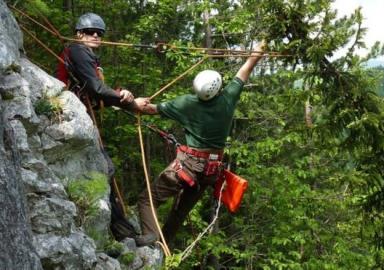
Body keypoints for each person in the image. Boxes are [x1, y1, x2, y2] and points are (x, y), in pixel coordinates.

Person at [132, 41, 266, 246]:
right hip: (210, 171)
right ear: (218, 87)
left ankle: (151, 237)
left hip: (189, 165)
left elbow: (151, 109)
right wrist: (260, 48)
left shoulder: (187, 103)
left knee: (146, 200)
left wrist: (134, 103)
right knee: (180, 211)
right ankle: (163, 246)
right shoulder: (228, 99)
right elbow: (246, 68)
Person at [56, 13, 138, 241]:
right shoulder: (79, 50)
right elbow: (96, 88)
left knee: (106, 168)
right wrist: (126, 98)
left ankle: (121, 231)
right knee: (105, 168)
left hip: (79, 117)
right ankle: (124, 233)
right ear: (79, 34)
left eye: (99, 34)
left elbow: (96, 92)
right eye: (90, 32)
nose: (95, 36)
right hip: (73, 118)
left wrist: (119, 96)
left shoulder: (82, 54)